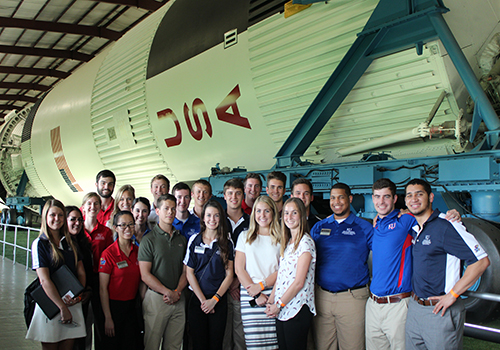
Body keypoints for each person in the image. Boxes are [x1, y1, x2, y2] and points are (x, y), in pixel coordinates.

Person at [404, 179, 490, 350]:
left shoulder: (447, 225)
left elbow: (481, 261)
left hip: (439, 311)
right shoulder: (416, 228)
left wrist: (453, 294)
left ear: (430, 197)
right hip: (415, 308)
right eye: (409, 195)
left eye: (419, 194)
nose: (414, 199)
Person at [310, 182, 373, 350]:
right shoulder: (319, 227)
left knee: (353, 346)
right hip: (322, 297)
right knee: (323, 346)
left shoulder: (364, 227)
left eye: (341, 197)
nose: (336, 201)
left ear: (350, 199)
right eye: (332, 198)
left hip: (352, 299)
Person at [26, 200, 86, 350]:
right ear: (45, 216)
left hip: (72, 302)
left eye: (60, 215)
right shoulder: (40, 243)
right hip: (52, 305)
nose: (57, 219)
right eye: (52, 215)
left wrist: (77, 296)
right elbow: (44, 280)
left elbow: (81, 272)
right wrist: (62, 307)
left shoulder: (70, 241)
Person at [138, 194, 188, 350]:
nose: (170, 212)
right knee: (152, 344)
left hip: (178, 298)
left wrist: (176, 292)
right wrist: (167, 292)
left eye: (173, 209)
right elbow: (145, 275)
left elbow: (186, 272)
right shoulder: (149, 240)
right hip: (157, 299)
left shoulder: (182, 240)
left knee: (174, 345)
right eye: (166, 208)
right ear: (157, 211)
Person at [265, 198, 316, 350]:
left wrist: (278, 304)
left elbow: (299, 282)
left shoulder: (305, 243)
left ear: (302, 216)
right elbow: (281, 276)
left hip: (297, 308)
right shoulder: (288, 243)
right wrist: (271, 301)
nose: (289, 217)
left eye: (294, 213)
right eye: (286, 213)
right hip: (283, 308)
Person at [184, 200, 235, 350]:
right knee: (199, 344)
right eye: (208, 215)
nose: (212, 219)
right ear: (203, 218)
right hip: (198, 300)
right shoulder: (194, 240)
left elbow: (229, 274)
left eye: (216, 215)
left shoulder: (227, 242)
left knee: (216, 344)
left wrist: (214, 300)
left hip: (218, 300)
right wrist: (203, 301)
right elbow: (189, 272)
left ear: (221, 218)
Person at [235, 195, 281, 349]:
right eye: (259, 211)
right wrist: (255, 293)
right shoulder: (244, 236)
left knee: (274, 343)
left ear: (273, 213)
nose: (262, 215)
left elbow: (283, 270)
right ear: (254, 213)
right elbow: (239, 269)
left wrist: (261, 287)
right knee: (254, 344)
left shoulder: (281, 238)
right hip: (250, 293)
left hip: (273, 293)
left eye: (267, 211)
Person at [99, 211, 142, 350]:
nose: (127, 229)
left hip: (132, 307)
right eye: (123, 225)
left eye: (130, 224)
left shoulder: (138, 251)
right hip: (113, 307)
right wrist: (108, 317)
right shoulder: (108, 254)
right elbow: (102, 288)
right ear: (115, 228)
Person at [82, 192, 113, 350]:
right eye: (89, 203)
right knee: (84, 320)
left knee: (100, 319)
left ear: (100, 207)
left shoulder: (106, 232)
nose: (92, 207)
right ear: (83, 207)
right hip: (81, 280)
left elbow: (108, 256)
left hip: (100, 279)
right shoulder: (77, 231)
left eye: (96, 203)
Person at [223, 178, 250, 350]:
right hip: (220, 286)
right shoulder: (216, 221)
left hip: (243, 286)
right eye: (230, 193)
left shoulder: (252, 222)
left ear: (243, 195)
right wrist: (227, 282)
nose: (234, 197)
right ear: (224, 196)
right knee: (223, 334)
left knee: (241, 335)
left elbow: (254, 256)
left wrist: (237, 281)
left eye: (238, 193)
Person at [66, 206, 93, 350]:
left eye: (79, 220)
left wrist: (85, 292)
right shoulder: (60, 245)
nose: (77, 223)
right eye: (72, 219)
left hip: (81, 299)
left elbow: (86, 272)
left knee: (80, 340)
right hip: (64, 300)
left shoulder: (84, 245)